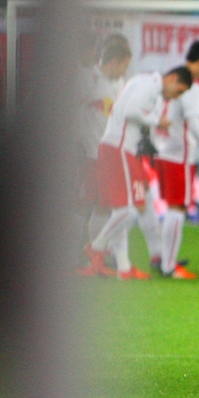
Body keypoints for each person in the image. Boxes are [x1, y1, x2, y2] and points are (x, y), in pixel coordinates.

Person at [83, 67, 193, 279]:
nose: (175, 96)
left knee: (121, 209)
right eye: (178, 91)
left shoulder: (142, 83)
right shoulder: (150, 86)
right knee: (131, 209)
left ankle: (124, 268)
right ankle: (96, 247)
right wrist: (156, 121)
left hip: (119, 147)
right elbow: (131, 111)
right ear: (172, 78)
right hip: (120, 148)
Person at [152, 41, 199, 279]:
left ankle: (164, 258)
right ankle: (169, 266)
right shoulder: (191, 87)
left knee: (172, 206)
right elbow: (194, 123)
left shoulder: (170, 78)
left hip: (161, 149)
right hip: (179, 154)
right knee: (178, 207)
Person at [75, 34, 132, 248]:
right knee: (81, 206)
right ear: (114, 61)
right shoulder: (89, 80)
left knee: (103, 207)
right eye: (124, 65)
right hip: (90, 154)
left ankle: (96, 257)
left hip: (109, 156)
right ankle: (69, 260)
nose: (125, 70)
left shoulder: (119, 84)